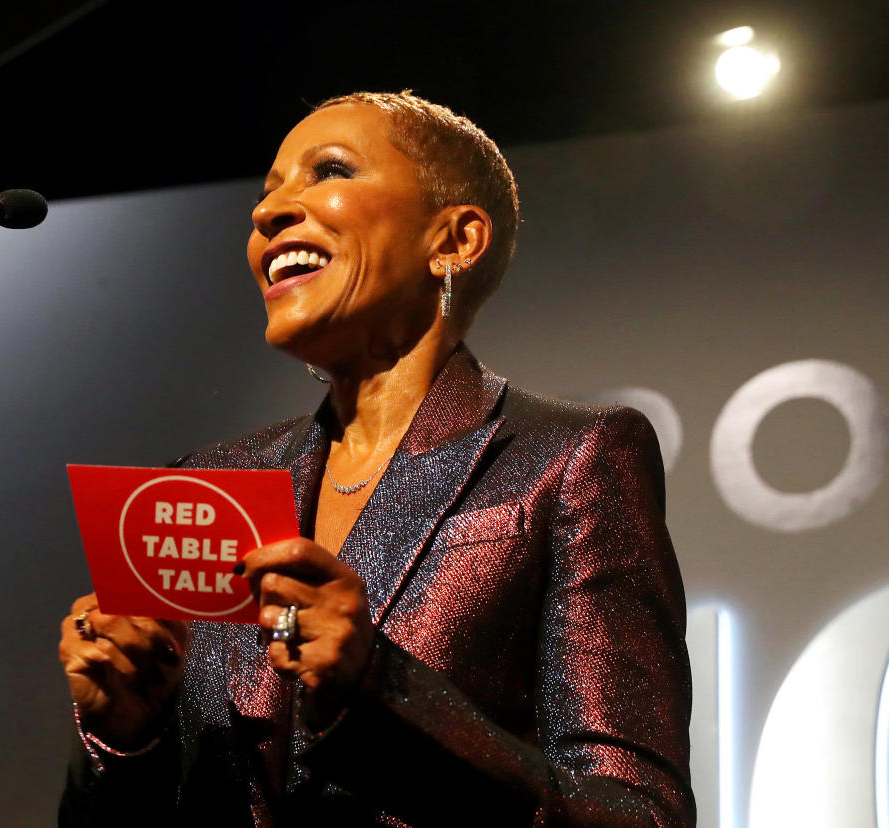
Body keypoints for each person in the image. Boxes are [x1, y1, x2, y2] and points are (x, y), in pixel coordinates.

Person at [57, 91, 694, 827]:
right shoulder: (209, 483)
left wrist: (378, 690)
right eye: (266, 195)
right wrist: (124, 737)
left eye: (328, 171)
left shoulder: (572, 456)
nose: (268, 215)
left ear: (454, 240)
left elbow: (640, 815)